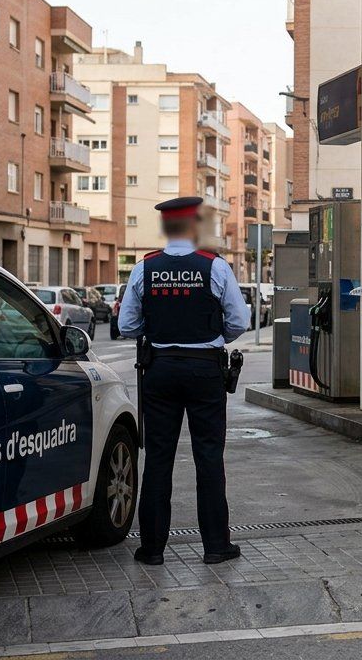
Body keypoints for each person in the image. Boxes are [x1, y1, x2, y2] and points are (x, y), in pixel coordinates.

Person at [118, 196, 249, 564]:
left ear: (167, 228)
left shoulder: (145, 268)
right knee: (209, 457)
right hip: (205, 369)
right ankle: (216, 547)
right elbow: (238, 322)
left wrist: (157, 329)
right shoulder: (215, 266)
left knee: (158, 458)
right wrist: (209, 335)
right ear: (193, 227)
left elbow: (127, 325)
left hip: (159, 369)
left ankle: (152, 549)